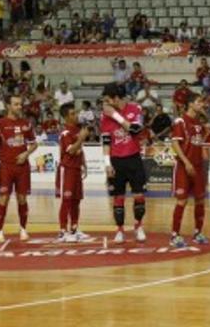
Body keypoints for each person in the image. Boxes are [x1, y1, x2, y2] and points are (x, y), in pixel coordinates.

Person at [100, 83, 147, 243]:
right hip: (116, 161)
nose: (105, 103)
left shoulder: (135, 109)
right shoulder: (104, 115)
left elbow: (135, 130)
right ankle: (119, 230)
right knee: (118, 198)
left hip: (134, 158)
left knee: (139, 196)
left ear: (115, 99)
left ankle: (138, 226)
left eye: (107, 100)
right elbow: (106, 141)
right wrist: (107, 163)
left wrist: (115, 115)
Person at [0, 95, 38, 243]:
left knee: (22, 198)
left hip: (22, 167)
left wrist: (26, 153)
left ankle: (23, 229)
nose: (19, 107)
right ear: (8, 106)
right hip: (6, 167)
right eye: (16, 104)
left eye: (20, 104)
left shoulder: (26, 124)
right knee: (3, 198)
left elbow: (34, 144)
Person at [169, 93, 210, 248]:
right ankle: (175, 235)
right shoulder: (181, 121)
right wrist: (186, 163)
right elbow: (175, 144)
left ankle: (198, 233)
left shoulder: (199, 123)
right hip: (184, 167)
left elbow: (199, 143)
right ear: (191, 104)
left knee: (200, 199)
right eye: (199, 102)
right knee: (182, 200)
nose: (202, 105)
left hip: (198, 167)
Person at [55, 103, 89, 242]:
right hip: (67, 169)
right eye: (72, 114)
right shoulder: (66, 133)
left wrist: (84, 163)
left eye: (76, 113)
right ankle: (62, 232)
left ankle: (74, 229)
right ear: (65, 117)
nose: (76, 115)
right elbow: (71, 150)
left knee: (76, 200)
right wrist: (82, 138)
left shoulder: (76, 130)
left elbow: (79, 149)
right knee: (67, 200)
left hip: (76, 169)